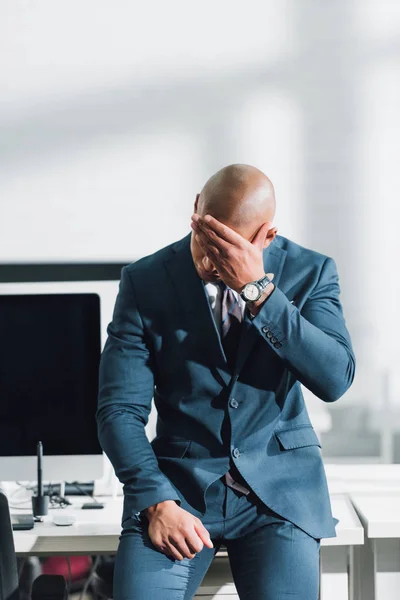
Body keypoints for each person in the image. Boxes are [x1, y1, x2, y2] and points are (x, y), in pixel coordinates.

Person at [96, 164, 355, 599]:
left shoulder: (311, 272)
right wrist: (157, 500)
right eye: (204, 236)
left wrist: (260, 294)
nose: (208, 259)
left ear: (265, 238)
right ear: (196, 209)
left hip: (280, 493)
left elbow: (335, 378)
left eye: (226, 247)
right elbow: (118, 411)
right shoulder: (144, 281)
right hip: (178, 489)